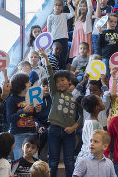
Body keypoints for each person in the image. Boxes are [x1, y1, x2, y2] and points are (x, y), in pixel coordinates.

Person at [39, 49, 83, 177]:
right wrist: (46, 59)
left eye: (63, 80)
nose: (60, 83)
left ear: (69, 81)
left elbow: (81, 115)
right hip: (53, 129)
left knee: (69, 162)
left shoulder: (75, 96)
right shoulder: (54, 93)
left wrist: (75, 126)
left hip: (69, 132)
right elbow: (49, 75)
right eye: (57, 81)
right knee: (53, 162)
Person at [6, 72, 41, 160]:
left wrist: (37, 111)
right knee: (20, 160)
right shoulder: (11, 99)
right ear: (21, 84)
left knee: (33, 160)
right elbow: (10, 119)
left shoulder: (31, 97)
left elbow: (34, 116)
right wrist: (23, 111)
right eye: (28, 81)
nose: (30, 83)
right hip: (18, 134)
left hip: (32, 132)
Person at [76, 95, 105, 164]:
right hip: (89, 159)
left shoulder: (89, 121)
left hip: (85, 157)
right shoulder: (94, 124)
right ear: (96, 107)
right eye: (101, 101)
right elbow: (93, 145)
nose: (103, 102)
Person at [47, 0, 75, 70]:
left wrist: (69, 5)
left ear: (62, 7)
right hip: (54, 40)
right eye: (56, 5)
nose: (57, 7)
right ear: (53, 6)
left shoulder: (64, 15)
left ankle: (62, 71)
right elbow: (49, 30)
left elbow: (73, 14)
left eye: (59, 5)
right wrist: (49, 42)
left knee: (63, 57)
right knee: (54, 57)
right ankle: (55, 71)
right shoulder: (50, 17)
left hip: (64, 38)